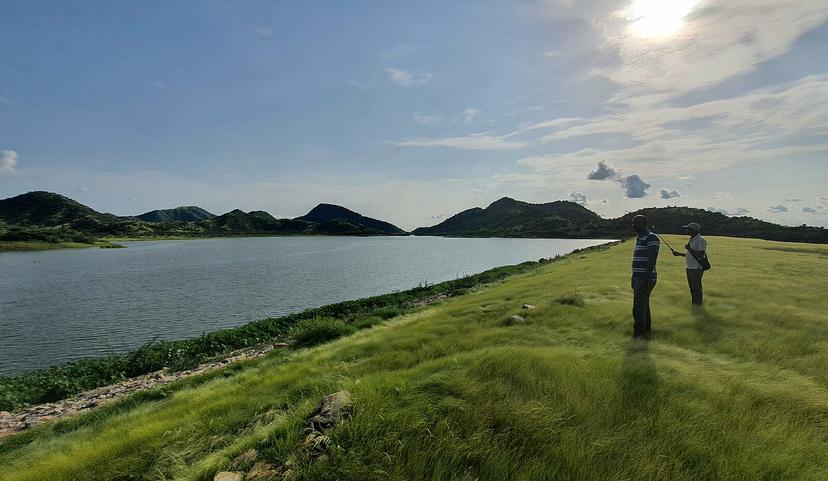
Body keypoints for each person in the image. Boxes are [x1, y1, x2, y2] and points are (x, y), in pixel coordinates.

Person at [631, 215, 659, 338]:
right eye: (633, 223)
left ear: (644, 223)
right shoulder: (640, 238)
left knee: (638, 307)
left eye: (636, 223)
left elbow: (652, 260)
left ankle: (639, 333)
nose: (633, 226)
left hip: (645, 278)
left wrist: (646, 280)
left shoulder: (652, 237)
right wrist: (633, 277)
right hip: (638, 277)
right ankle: (646, 329)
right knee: (643, 304)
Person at [672, 222, 707, 305]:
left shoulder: (701, 240)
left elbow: (700, 256)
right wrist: (679, 254)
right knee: (692, 288)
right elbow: (690, 255)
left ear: (694, 230)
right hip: (690, 267)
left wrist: (689, 248)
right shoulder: (691, 239)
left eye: (688, 229)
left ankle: (698, 305)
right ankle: (695, 304)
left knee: (696, 288)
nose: (686, 230)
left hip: (696, 268)